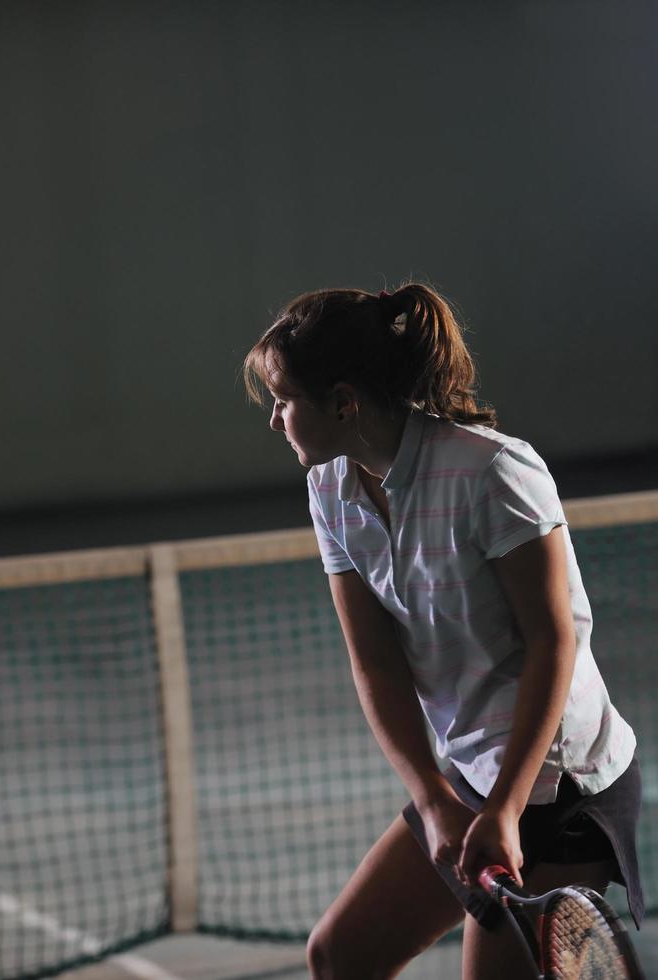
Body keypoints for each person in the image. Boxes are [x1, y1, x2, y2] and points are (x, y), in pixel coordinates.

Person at [243, 283, 642, 978]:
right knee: (340, 957)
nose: (275, 421)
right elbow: (376, 664)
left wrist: (508, 808)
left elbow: (554, 644)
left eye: (284, 400)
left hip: (557, 783)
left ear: (343, 402)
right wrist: (432, 800)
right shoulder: (331, 487)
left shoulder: (492, 471)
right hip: (472, 774)